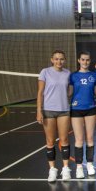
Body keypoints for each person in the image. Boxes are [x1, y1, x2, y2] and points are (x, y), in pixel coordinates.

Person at [37, 50, 71, 182]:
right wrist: (39, 110)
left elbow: (69, 90)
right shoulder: (45, 72)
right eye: (56, 59)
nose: (59, 61)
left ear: (65, 60)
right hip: (48, 110)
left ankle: (66, 169)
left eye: (61, 59)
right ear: (52, 59)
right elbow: (40, 92)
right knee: (50, 141)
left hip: (64, 110)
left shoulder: (67, 73)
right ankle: (52, 170)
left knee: (64, 140)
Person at [69, 51, 96, 178]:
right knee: (79, 139)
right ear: (79, 60)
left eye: (87, 60)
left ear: (90, 61)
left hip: (90, 108)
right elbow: (69, 93)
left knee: (90, 138)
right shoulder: (73, 76)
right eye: (83, 59)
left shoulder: (94, 75)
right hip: (76, 109)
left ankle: (90, 164)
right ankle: (79, 167)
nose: (85, 62)